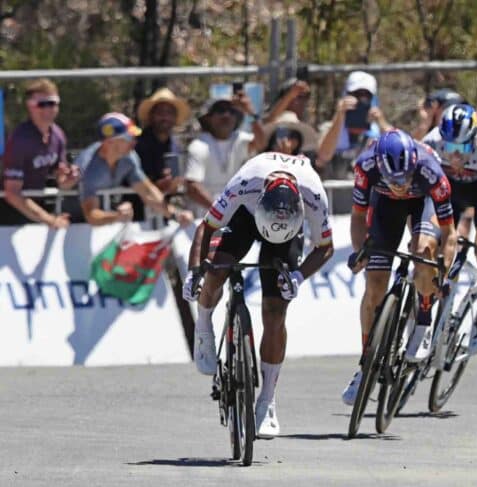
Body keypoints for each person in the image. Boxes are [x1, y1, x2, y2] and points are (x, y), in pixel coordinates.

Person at [182, 151, 334, 438]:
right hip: (245, 218)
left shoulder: (313, 191)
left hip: (287, 233)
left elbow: (325, 246)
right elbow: (207, 227)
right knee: (216, 269)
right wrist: (194, 271)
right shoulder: (246, 181)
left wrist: (298, 277)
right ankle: (203, 326)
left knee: (276, 311)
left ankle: (267, 400)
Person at [342, 129, 457, 405]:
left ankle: (423, 321)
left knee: (423, 254)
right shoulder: (366, 166)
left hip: (423, 204)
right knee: (375, 286)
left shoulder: (432, 172)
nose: (401, 185)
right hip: (385, 208)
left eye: (405, 179)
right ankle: (366, 365)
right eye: (394, 181)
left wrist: (443, 273)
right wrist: (361, 252)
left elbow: (449, 234)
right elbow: (358, 218)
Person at [424, 103, 477, 352]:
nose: (455, 156)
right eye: (449, 147)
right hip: (448, 189)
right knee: (430, 244)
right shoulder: (431, 144)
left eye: (461, 147)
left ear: (474, 139)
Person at [76, 112, 193, 227]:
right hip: (76, 225)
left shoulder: (129, 157)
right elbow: (91, 215)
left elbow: (147, 192)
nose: (134, 142)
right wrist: (116, 216)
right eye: (129, 137)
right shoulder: (87, 167)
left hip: (105, 221)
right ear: (110, 141)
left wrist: (176, 214)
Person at [1, 78, 80, 227]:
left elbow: (61, 178)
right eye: (41, 104)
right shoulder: (20, 140)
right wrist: (49, 219)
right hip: (9, 215)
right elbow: (12, 193)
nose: (48, 109)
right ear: (30, 107)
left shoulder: (58, 135)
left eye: (52, 103)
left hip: (35, 207)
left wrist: (69, 179)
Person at [185, 85, 265, 214]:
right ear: (208, 117)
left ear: (236, 118)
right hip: (204, 214)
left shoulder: (240, 139)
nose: (226, 115)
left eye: (232, 111)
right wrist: (220, 211)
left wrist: (250, 112)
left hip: (233, 212)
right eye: (220, 110)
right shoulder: (199, 145)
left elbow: (261, 143)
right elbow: (193, 187)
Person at [315, 71, 392, 179]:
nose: (361, 99)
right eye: (356, 94)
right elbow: (323, 157)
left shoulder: (377, 134)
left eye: (366, 95)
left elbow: (400, 152)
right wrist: (340, 115)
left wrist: (382, 122)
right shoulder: (329, 128)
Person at [135, 87, 191, 195]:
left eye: (169, 113)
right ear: (151, 116)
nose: (165, 117)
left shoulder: (176, 146)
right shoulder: (138, 145)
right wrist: (159, 184)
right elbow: (136, 180)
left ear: (175, 118)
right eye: (160, 112)